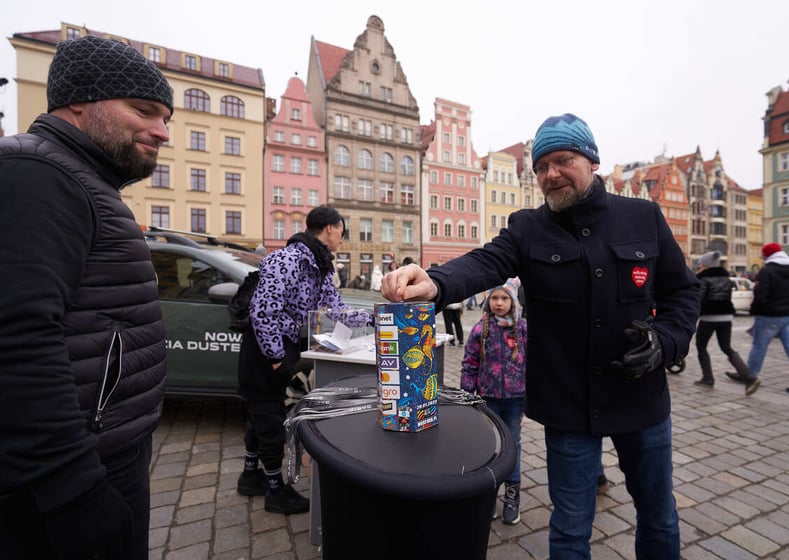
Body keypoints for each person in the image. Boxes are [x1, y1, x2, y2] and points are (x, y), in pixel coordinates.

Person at [381, 113, 700, 559]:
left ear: (591, 160)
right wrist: (434, 283)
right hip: (567, 406)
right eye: (541, 166)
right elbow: (485, 262)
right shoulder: (529, 227)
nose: (551, 174)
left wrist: (665, 341)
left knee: (659, 517)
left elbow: (683, 292)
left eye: (563, 160)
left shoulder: (642, 216)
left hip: (640, 400)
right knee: (569, 530)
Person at [0, 35, 172, 559]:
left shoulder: (82, 178)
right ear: (79, 100)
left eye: (166, 118)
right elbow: (18, 340)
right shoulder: (39, 172)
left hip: (107, 453)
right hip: (72, 477)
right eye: (142, 111)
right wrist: (73, 491)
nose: (162, 132)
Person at [237, 205, 371, 514]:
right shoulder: (289, 259)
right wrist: (275, 356)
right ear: (329, 229)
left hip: (282, 347)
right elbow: (263, 311)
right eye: (341, 232)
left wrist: (374, 318)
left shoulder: (319, 265)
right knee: (269, 417)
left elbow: (333, 309)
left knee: (261, 413)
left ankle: (250, 476)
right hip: (264, 349)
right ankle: (275, 491)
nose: (342, 239)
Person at [461, 279, 527, 524]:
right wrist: (468, 394)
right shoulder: (481, 329)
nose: (499, 303)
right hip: (487, 397)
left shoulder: (522, 329)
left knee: (514, 446)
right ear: (489, 300)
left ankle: (513, 493)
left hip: (515, 399)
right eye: (495, 298)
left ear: (513, 302)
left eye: (505, 298)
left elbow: (532, 366)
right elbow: (470, 364)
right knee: (491, 446)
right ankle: (490, 491)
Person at [739, 243, 789, 398]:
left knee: (759, 348)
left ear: (767, 256)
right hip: (788, 316)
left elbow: (760, 296)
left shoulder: (767, 271)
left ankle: (750, 376)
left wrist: (755, 310)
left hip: (768, 316)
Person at [693, 251, 758, 390]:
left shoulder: (703, 279)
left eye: (701, 265)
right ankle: (749, 377)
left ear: (705, 266)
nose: (699, 268)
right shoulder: (727, 278)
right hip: (726, 316)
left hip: (709, 317)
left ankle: (708, 377)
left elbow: (698, 299)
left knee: (701, 346)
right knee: (726, 347)